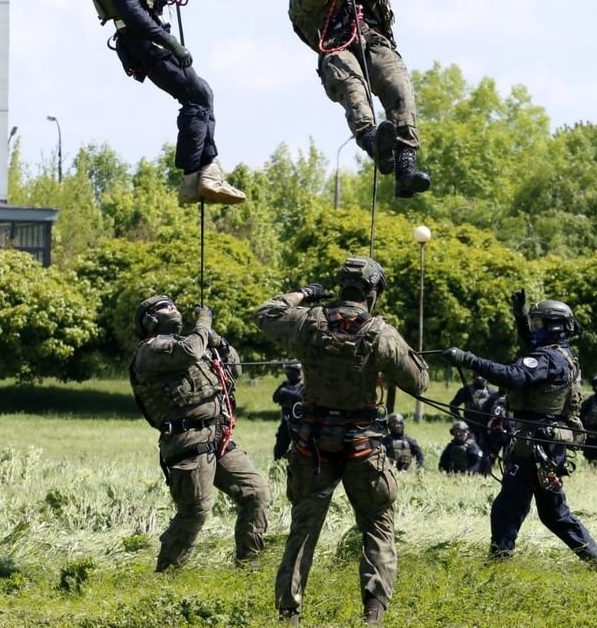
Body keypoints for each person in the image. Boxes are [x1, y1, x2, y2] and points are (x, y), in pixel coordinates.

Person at [254, 260, 429, 626]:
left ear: (341, 287)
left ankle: (289, 614)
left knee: (303, 529)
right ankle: (373, 616)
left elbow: (267, 313)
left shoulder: (307, 321)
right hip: (362, 446)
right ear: (373, 293)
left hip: (312, 443)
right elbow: (420, 383)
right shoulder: (382, 334)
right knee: (378, 525)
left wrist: (305, 293)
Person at [83, 0, 245, 205]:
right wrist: (169, 41)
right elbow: (131, 8)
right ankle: (194, 177)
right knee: (196, 96)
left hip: (143, 39)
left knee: (200, 94)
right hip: (143, 40)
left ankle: (205, 174)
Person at [288, 0, 430, 198]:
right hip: (336, 49)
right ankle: (371, 138)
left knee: (398, 86)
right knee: (351, 85)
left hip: (374, 43)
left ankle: (406, 165)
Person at [445, 298, 597, 566]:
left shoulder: (548, 358)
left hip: (536, 444)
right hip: (543, 441)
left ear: (555, 327)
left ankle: (499, 564)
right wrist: (520, 317)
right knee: (553, 513)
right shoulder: (560, 353)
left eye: (538, 323)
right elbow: (530, 346)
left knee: (509, 507)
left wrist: (469, 360)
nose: (534, 329)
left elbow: (513, 376)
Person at [129, 296, 269, 572]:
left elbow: (235, 369)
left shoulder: (196, 344)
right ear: (149, 321)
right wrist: (204, 322)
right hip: (187, 440)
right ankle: (167, 577)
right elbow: (189, 351)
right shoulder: (152, 350)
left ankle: (248, 567)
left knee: (257, 493)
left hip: (219, 435)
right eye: (163, 308)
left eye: (172, 305)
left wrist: (219, 342)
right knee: (196, 510)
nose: (172, 310)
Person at [273, 362, 305, 461]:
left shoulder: (304, 385)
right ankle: (278, 467)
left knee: (301, 447)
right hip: (286, 421)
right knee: (280, 447)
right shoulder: (285, 385)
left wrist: (286, 393)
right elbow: (275, 397)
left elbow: (300, 397)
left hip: (300, 423)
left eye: (290, 371)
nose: (287, 374)